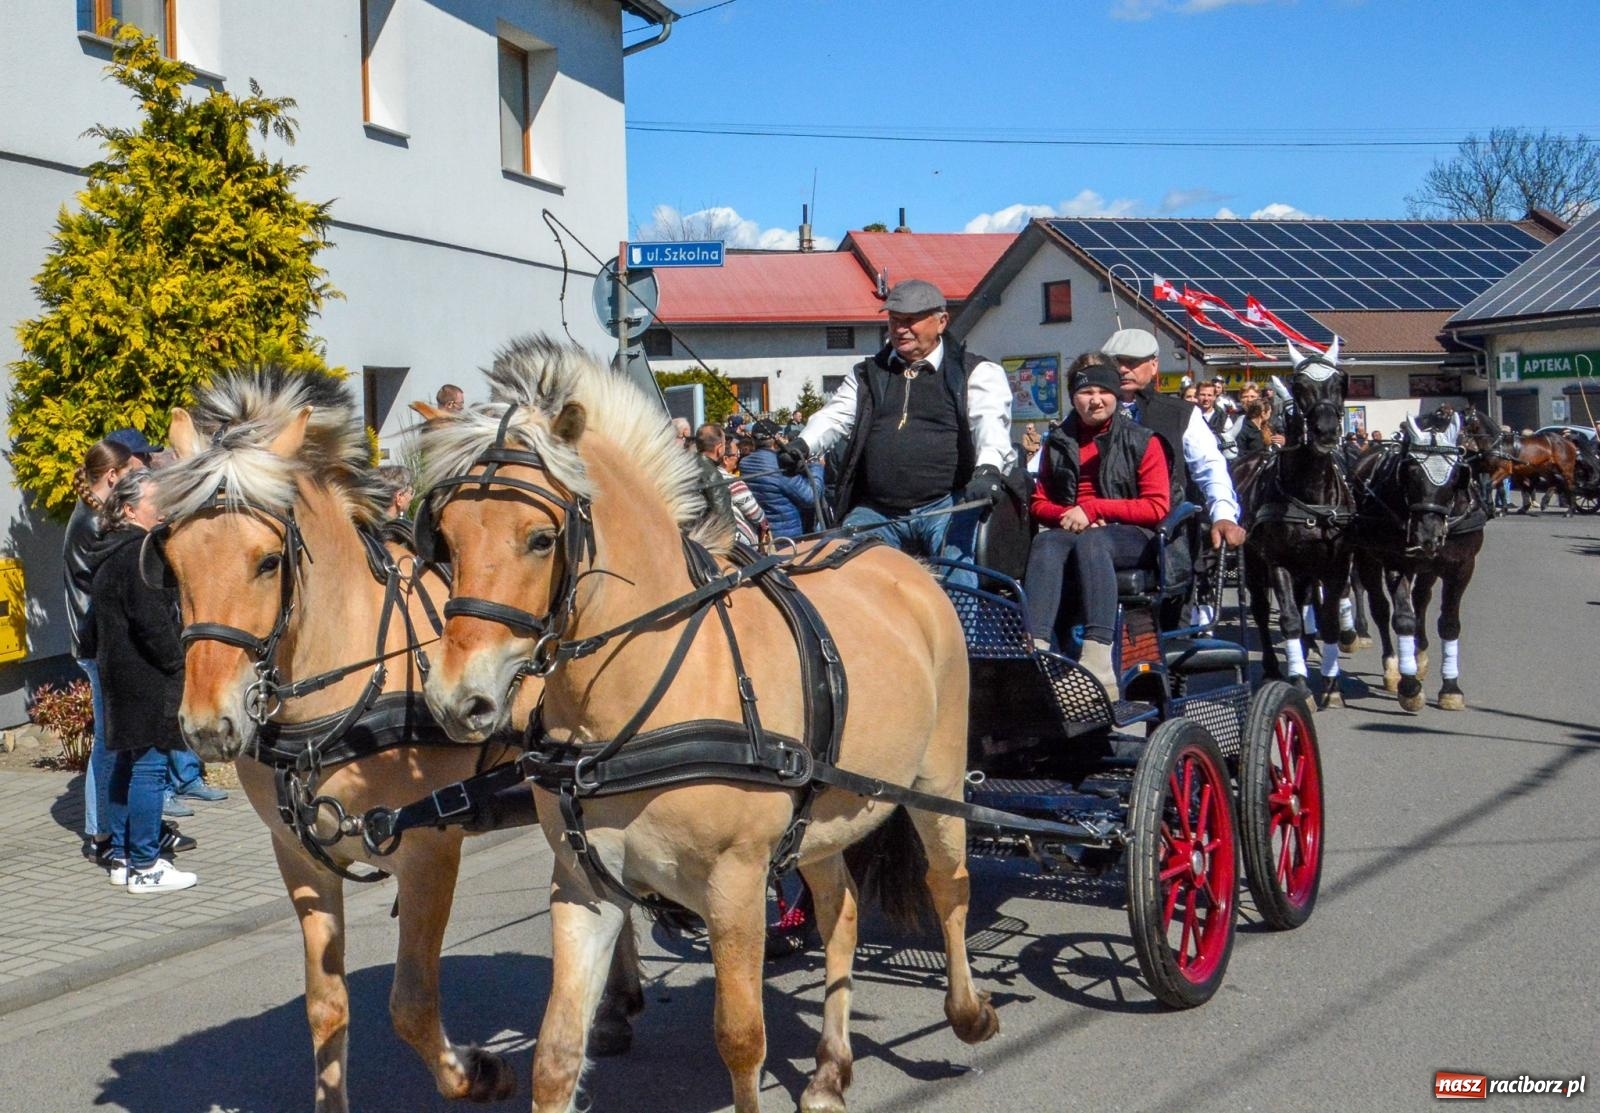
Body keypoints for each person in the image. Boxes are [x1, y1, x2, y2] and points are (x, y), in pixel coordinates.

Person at [778, 279, 1014, 581]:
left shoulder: (976, 372)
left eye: (911, 320)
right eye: (894, 320)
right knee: (840, 569)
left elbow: (990, 424)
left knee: (959, 575)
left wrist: (989, 469)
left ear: (942, 321)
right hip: (878, 512)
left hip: (946, 508)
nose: (900, 329)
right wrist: (802, 446)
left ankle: (965, 629)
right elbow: (834, 416)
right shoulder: (867, 374)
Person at [1024, 361, 1173, 693]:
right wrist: (1067, 515)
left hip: (1132, 535)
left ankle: (1098, 661)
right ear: (1073, 397)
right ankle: (1037, 652)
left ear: (1117, 396)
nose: (1096, 400)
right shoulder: (1058, 440)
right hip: (1074, 528)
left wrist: (1092, 510)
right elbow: (1038, 501)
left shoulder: (1144, 440)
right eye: (1086, 392)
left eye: (1104, 391)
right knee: (1046, 544)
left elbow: (1157, 506)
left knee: (1093, 542)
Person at [90, 470, 198, 893]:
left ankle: (120, 855)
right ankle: (145, 864)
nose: (165, 508)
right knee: (150, 770)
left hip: (120, 674)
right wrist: (179, 664)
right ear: (131, 508)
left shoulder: (110, 551)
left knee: (126, 765)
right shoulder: (139, 553)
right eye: (158, 500)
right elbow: (151, 620)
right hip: (146, 676)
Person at [1102, 329, 1245, 551]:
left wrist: (1224, 515)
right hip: (1102, 523)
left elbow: (1210, 466)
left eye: (1132, 362)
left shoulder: (1181, 414)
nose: (1122, 369)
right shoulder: (1090, 411)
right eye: (1116, 362)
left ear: (1154, 365)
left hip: (1166, 530)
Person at [740, 420, 817, 538]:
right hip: (788, 536)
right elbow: (810, 497)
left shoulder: (744, 463)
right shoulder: (780, 464)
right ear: (777, 438)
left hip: (763, 533)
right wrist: (816, 467)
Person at [698, 423, 766, 547]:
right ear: (719, 448)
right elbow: (724, 517)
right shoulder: (714, 476)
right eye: (736, 455)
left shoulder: (689, 465)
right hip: (722, 545)